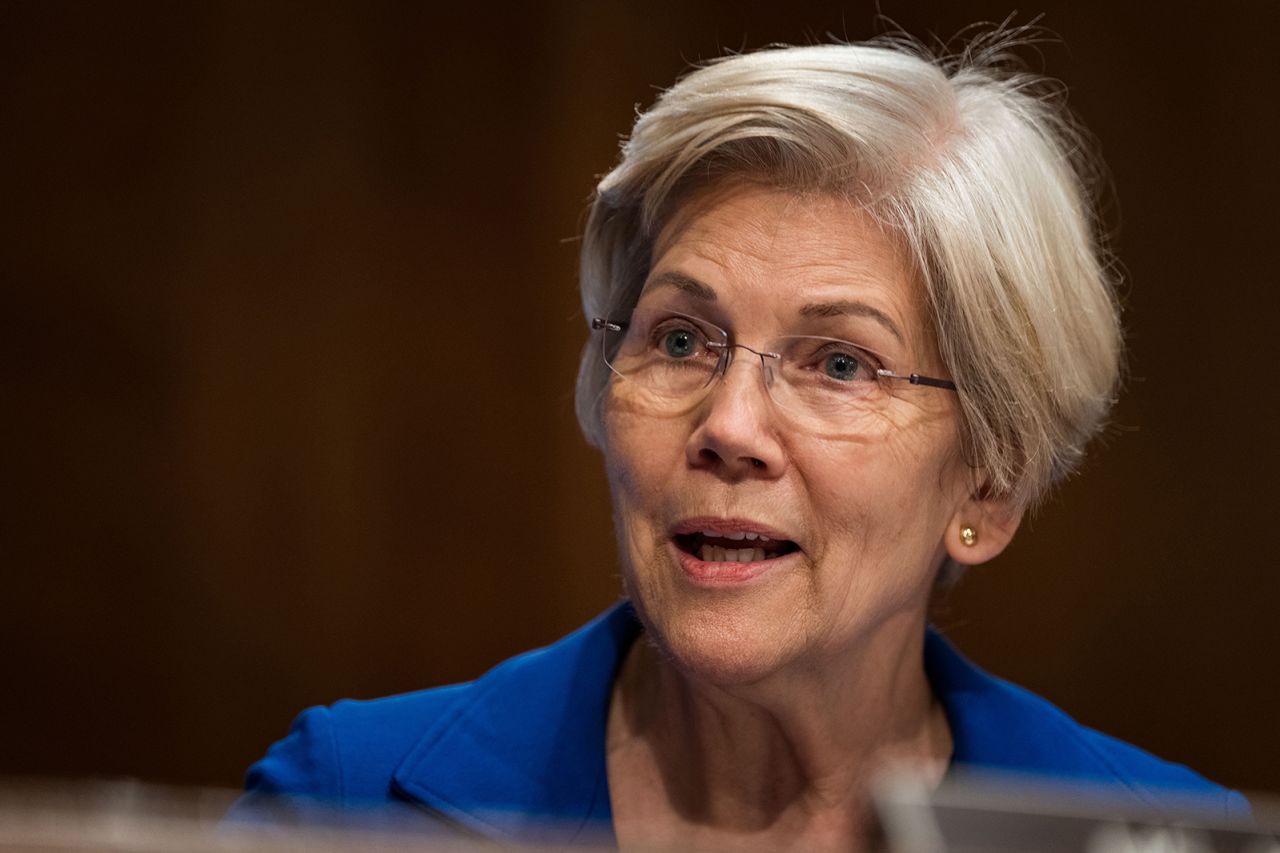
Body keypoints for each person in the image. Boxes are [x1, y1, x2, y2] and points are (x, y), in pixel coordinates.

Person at [235, 34, 1249, 849]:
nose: (727, 427)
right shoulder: (350, 803)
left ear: (985, 487)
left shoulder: (1153, 837)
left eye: (839, 364)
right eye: (679, 339)